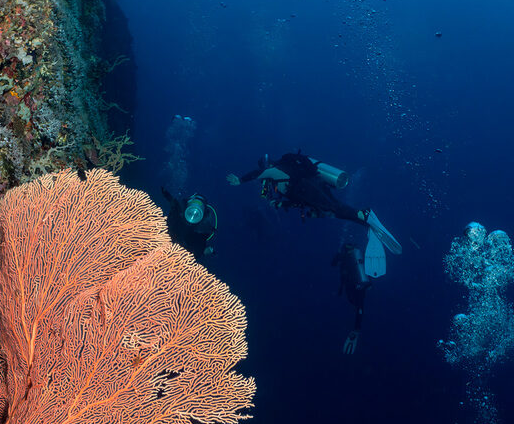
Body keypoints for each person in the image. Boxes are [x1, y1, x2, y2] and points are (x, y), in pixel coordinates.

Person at [226, 151, 401, 275]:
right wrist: (281, 202)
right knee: (333, 210)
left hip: (312, 188)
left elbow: (258, 173)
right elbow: (295, 199)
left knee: (334, 207)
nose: (264, 183)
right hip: (310, 191)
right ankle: (365, 222)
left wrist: (240, 180)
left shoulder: (275, 169)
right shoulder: (278, 179)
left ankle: (365, 214)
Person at [332, 242, 372, 355]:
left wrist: (338, 255)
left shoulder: (343, 255)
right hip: (362, 284)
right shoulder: (358, 254)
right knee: (359, 304)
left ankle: (357, 325)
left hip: (352, 285)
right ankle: (357, 326)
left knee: (354, 302)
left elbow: (333, 264)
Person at [161, 188, 217, 259]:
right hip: (165, 240)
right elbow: (174, 203)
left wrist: (203, 251)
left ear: (203, 214)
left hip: (178, 254)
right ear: (187, 205)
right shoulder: (178, 211)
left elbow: (196, 252)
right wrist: (166, 194)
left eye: (197, 213)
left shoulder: (202, 230)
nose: (193, 213)